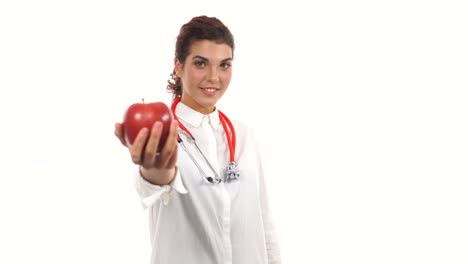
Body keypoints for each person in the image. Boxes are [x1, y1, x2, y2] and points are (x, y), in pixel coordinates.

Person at [114, 15, 281, 264]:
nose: (214, 77)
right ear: (178, 66)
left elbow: (263, 221)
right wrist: (154, 173)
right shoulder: (161, 134)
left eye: (224, 65)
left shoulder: (244, 135)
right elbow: (151, 187)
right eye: (201, 63)